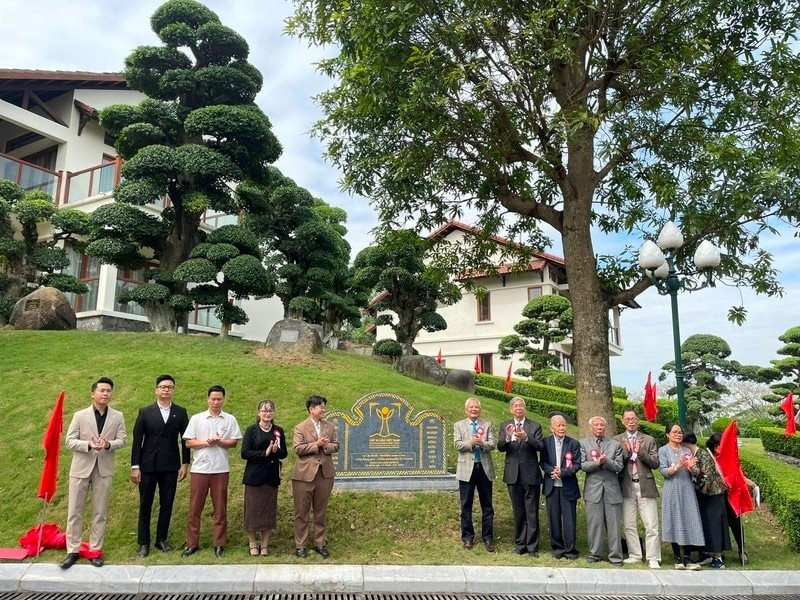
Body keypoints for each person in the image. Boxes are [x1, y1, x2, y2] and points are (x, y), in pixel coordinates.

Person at [61, 377, 127, 569]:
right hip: (81, 468)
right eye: (102, 390)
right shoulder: (80, 416)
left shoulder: (118, 416)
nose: (105, 393)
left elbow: (122, 439)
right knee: (75, 511)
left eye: (108, 391)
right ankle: (72, 550)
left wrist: (108, 444)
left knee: (100, 512)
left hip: (104, 469)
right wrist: (88, 444)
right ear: (93, 393)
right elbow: (69, 441)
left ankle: (95, 550)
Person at [130, 374, 190, 557]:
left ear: (173, 390)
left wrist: (185, 463)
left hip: (171, 466)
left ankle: (161, 539)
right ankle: (144, 542)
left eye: (170, 387)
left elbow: (185, 439)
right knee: (145, 503)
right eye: (163, 386)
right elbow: (137, 440)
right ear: (156, 389)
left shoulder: (180, 412)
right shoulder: (145, 412)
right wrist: (135, 466)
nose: (166, 389)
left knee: (167, 503)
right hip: (148, 465)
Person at [181, 384, 242, 557]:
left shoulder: (229, 419)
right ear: (207, 399)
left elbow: (234, 442)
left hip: (221, 469)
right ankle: (192, 543)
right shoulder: (197, 419)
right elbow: (189, 442)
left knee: (220, 509)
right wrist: (208, 442)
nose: (216, 402)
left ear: (224, 400)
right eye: (213, 399)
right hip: (200, 469)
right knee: (195, 508)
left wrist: (220, 442)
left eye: (219, 399)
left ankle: (219, 543)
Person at [291, 395, 339, 558]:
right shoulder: (300, 427)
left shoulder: (330, 427)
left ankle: (320, 543)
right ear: (311, 409)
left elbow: (336, 445)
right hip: (304, 475)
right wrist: (316, 444)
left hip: (324, 475)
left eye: (324, 407)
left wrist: (326, 446)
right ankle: (300, 545)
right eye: (321, 407)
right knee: (301, 512)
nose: (323, 410)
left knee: (321, 511)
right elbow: (298, 448)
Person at [614, 409, 662, 569]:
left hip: (645, 485)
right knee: (629, 523)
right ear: (622, 421)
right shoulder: (617, 440)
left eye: (633, 418)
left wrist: (640, 451)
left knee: (651, 523)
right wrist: (627, 451)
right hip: (626, 485)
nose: (631, 421)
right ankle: (635, 554)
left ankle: (653, 557)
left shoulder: (648, 440)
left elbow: (655, 463)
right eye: (627, 419)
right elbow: (615, 463)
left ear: (638, 420)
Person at [497, 396, 543, 556]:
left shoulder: (534, 426)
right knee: (518, 511)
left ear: (525, 409)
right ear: (511, 409)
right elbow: (501, 447)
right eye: (515, 406)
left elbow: (540, 446)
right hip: (512, 474)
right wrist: (508, 437)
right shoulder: (505, 425)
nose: (518, 408)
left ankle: (532, 547)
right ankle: (520, 544)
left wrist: (527, 438)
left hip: (531, 474)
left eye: (521, 406)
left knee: (531, 511)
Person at [241, 400, 288, 556]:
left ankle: (265, 545)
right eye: (264, 410)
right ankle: (253, 543)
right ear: (258, 412)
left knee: (268, 511)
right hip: (254, 477)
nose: (267, 413)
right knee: (252, 511)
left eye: (270, 411)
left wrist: (276, 450)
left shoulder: (278, 431)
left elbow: (284, 453)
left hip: (271, 476)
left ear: (273, 413)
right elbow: (245, 453)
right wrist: (265, 453)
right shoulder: (251, 430)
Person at [658, 422, 705, 570]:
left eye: (680, 432)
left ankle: (689, 558)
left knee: (690, 519)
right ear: (668, 434)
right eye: (675, 432)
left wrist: (692, 468)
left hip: (687, 488)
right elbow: (665, 472)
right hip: (672, 488)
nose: (678, 435)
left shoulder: (687, 450)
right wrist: (678, 465)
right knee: (674, 520)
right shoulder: (663, 450)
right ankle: (678, 558)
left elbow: (697, 472)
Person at [580, 415, 624, 565]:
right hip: (593, 490)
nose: (599, 428)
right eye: (596, 425)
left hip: (612, 490)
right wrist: (597, 463)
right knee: (594, 524)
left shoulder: (615, 444)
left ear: (605, 428)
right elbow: (583, 465)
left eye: (602, 425)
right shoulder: (583, 444)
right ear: (591, 428)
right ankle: (595, 554)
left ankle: (616, 557)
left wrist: (607, 462)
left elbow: (619, 466)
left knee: (614, 525)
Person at [454, 397, 496, 552]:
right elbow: (457, 444)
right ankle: (467, 537)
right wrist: (471, 443)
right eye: (471, 407)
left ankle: (488, 538)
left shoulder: (487, 425)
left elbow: (492, 444)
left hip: (484, 469)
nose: (474, 410)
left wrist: (482, 443)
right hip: (466, 471)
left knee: (487, 505)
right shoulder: (459, 425)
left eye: (476, 407)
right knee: (466, 505)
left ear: (480, 410)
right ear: (466, 410)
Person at [707, 432, 755, 564]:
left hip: (731, 496)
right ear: (716, 447)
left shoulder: (730, 457)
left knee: (736, 523)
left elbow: (737, 473)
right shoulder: (710, 458)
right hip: (717, 497)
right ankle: (719, 551)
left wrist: (747, 481)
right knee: (719, 524)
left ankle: (742, 550)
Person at [685, 431, 731, 569]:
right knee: (706, 524)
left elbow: (708, 476)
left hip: (713, 494)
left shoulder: (702, 454)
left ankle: (718, 557)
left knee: (715, 525)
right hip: (706, 495)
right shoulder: (696, 454)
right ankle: (706, 554)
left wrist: (697, 487)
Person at [540, 413, 582, 560]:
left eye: (563, 425)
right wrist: (552, 471)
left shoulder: (574, 443)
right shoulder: (545, 442)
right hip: (551, 486)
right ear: (552, 428)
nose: (562, 428)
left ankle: (570, 550)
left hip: (568, 486)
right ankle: (557, 548)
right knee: (554, 518)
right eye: (558, 425)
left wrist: (562, 472)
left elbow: (577, 465)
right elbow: (543, 462)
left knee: (569, 519)